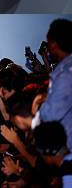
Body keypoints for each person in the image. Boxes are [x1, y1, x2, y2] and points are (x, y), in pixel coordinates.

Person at [33, 19, 72, 148]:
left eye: (48, 43)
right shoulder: (63, 71)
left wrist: (38, 109)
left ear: (54, 44)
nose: (47, 48)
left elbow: (51, 114)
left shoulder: (66, 73)